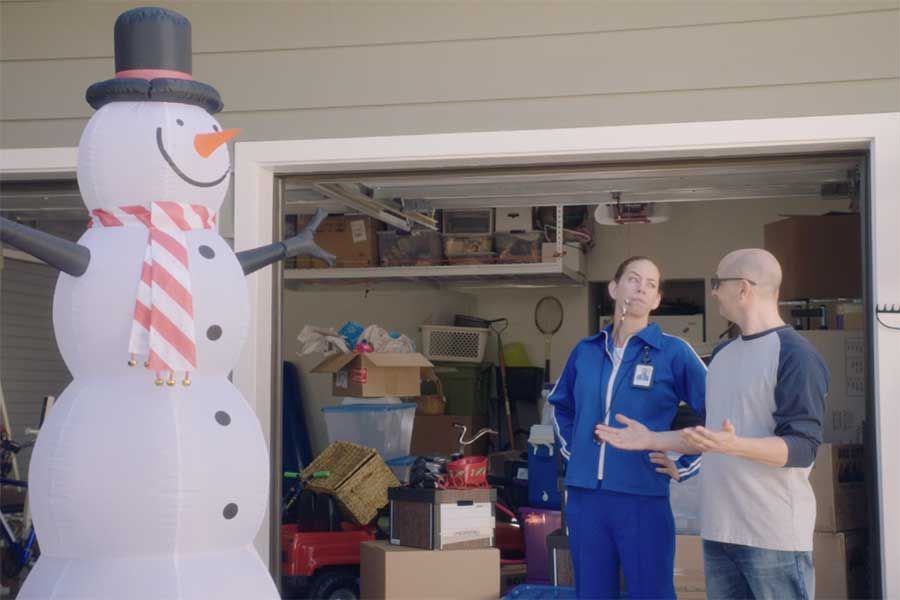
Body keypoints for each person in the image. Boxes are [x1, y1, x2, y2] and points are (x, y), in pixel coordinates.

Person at [597, 248, 829, 600]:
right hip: (720, 532)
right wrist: (651, 439)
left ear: (743, 289)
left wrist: (735, 445)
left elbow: (802, 447)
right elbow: (709, 438)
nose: (713, 291)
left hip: (772, 538)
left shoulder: (795, 355)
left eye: (718, 282)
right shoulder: (723, 356)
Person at [550, 256, 707, 599]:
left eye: (651, 285)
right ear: (614, 287)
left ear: (657, 301)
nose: (641, 289)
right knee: (592, 593)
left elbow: (721, 413)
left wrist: (685, 465)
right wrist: (576, 453)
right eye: (634, 279)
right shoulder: (585, 351)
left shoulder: (673, 353)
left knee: (650, 593)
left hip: (642, 498)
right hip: (585, 499)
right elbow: (560, 406)